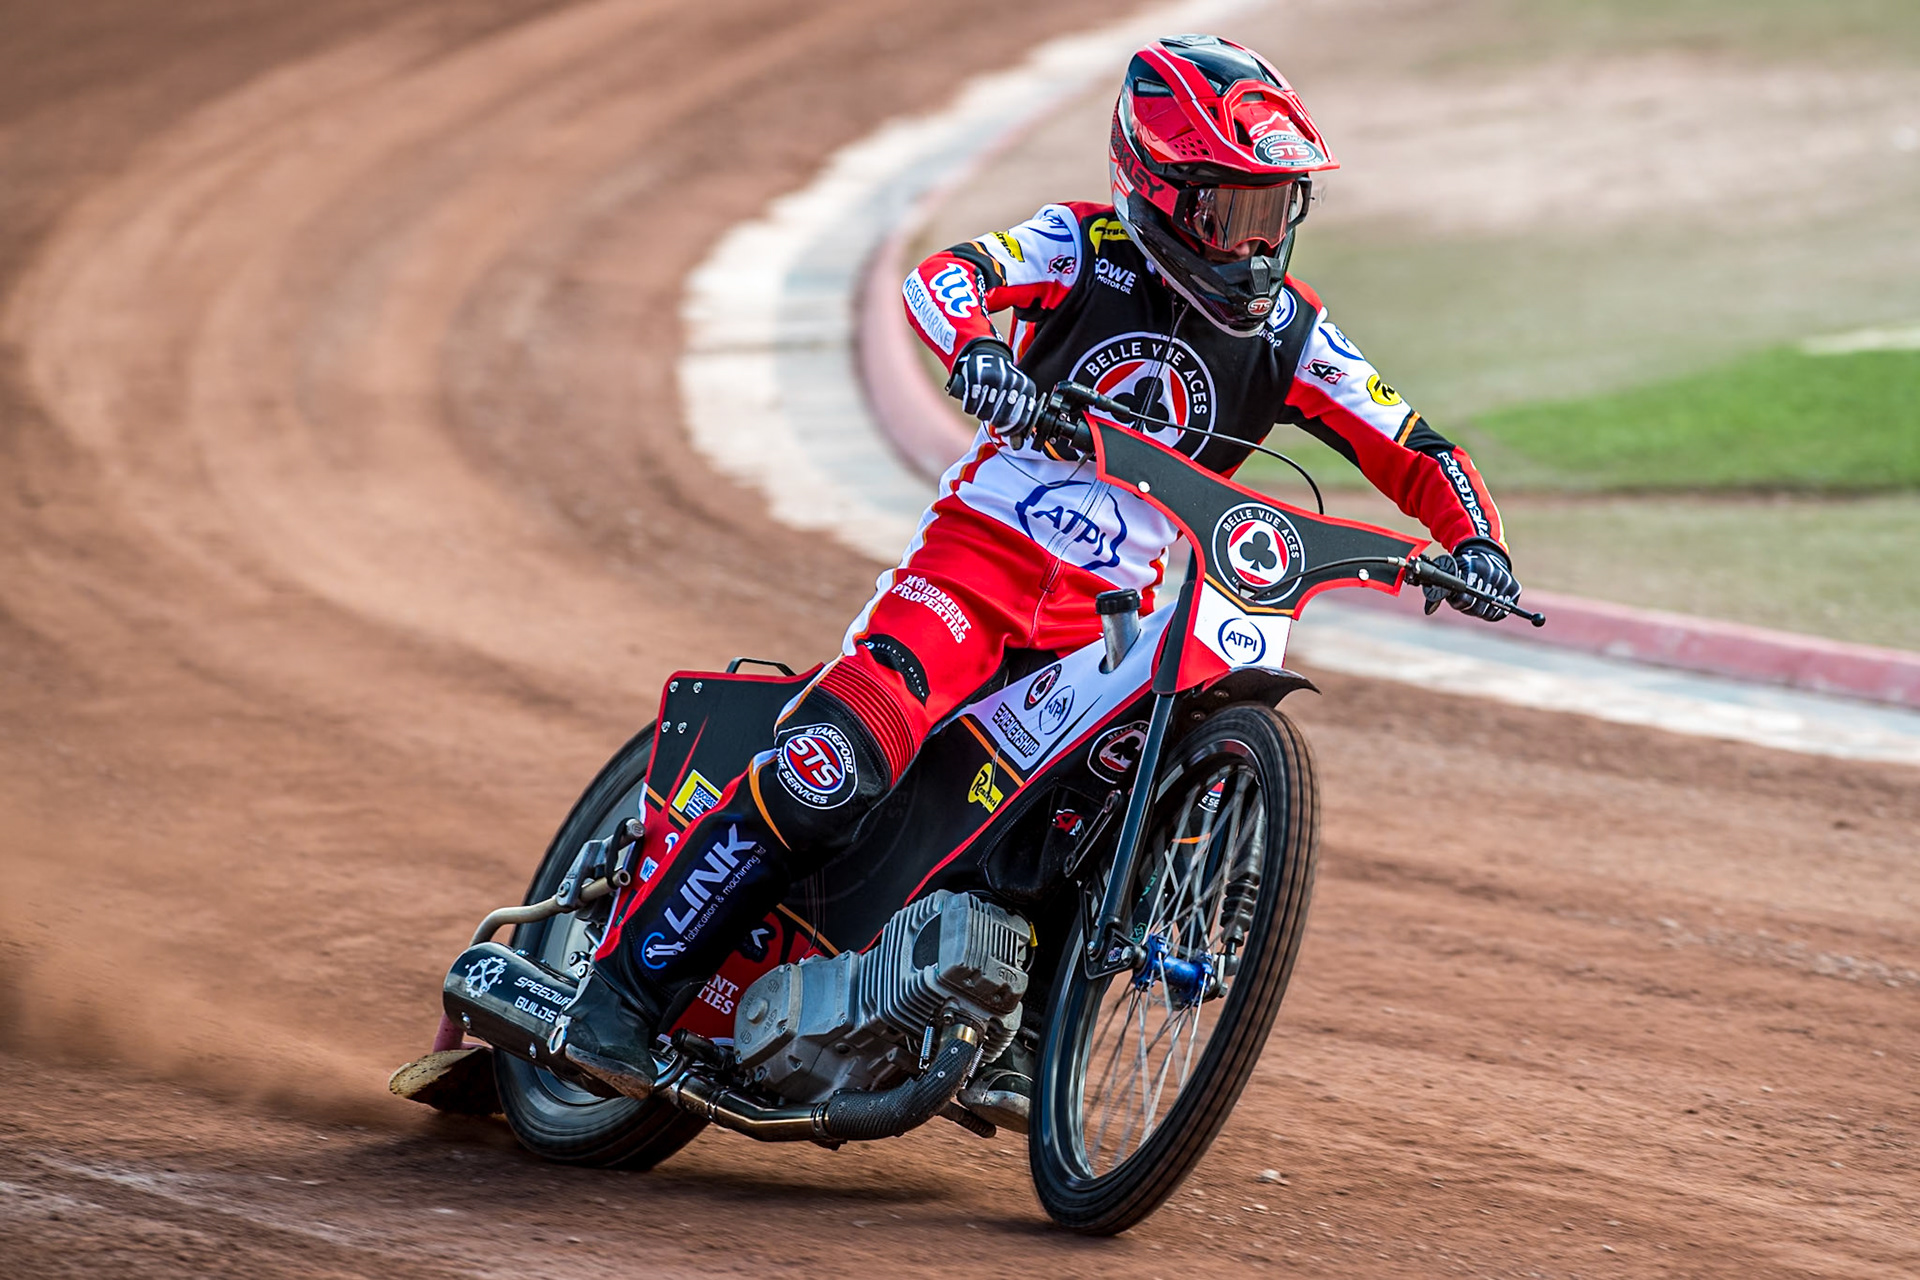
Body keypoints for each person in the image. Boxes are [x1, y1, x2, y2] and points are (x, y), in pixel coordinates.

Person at [559, 33, 1519, 1100]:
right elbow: (946, 278)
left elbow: (1414, 443)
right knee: (846, 755)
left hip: (1102, 621)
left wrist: (1474, 538)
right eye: (1229, 212)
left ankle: (1018, 1029)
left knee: (1101, 805)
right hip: (974, 571)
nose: (1254, 248)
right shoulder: (1081, 246)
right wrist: (974, 346)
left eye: (1273, 212)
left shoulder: (1294, 335)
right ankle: (620, 994)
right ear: (1159, 190)